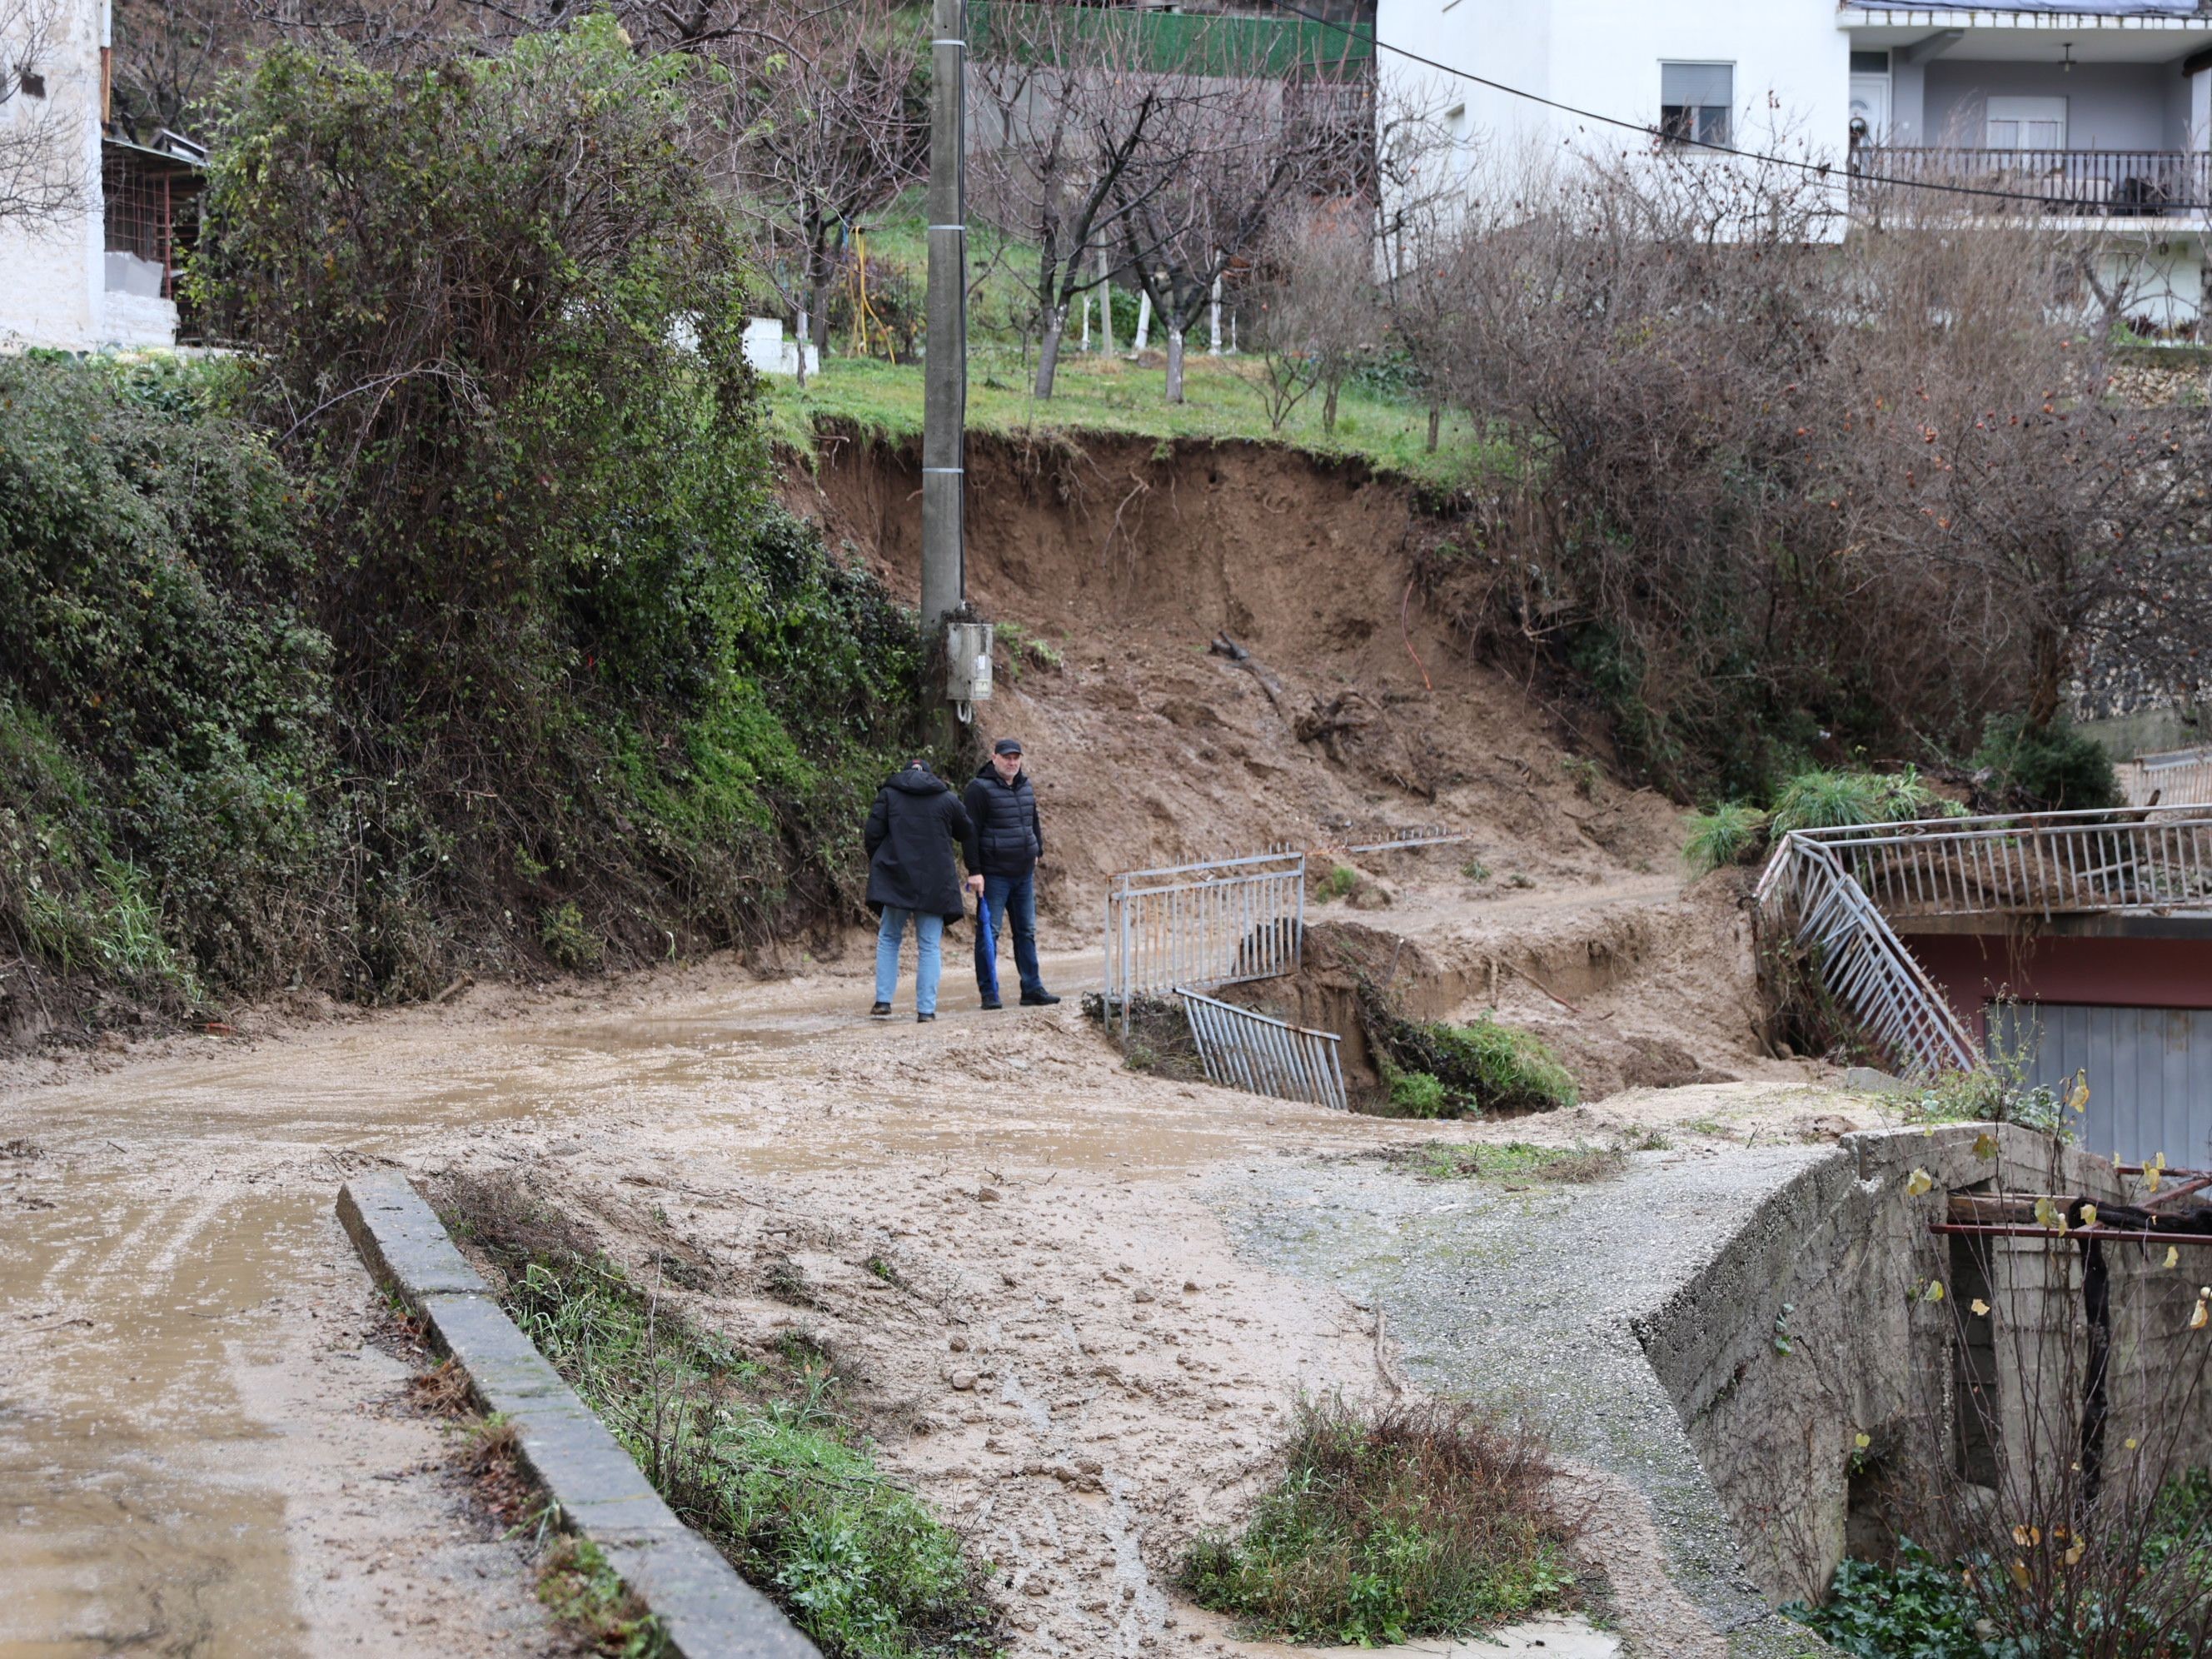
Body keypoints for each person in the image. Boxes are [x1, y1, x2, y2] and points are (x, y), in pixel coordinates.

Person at [864, 758, 974, 1022]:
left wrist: (882, 862)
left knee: (889, 938)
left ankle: (883, 1001)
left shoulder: (889, 794)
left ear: (904, 773)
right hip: (935, 881)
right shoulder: (946, 799)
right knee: (929, 946)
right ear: (930, 775)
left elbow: (872, 834)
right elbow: (966, 830)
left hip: (896, 877)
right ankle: (926, 1010)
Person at [963, 737, 1060, 1010]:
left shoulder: (1025, 785)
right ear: (994, 757)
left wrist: (1037, 849)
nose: (1012, 762)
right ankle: (989, 993)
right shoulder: (978, 789)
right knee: (989, 933)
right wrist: (975, 871)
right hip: (994, 875)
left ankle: (1032, 988)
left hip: (1023, 874)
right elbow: (970, 832)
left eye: (1016, 757)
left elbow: (1033, 819)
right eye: (1007, 757)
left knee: (1026, 931)